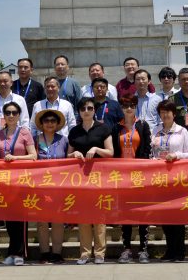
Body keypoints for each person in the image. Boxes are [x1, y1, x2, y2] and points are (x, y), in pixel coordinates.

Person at [68, 97, 114, 264]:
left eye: (89, 108)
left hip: (99, 177)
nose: (86, 111)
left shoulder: (103, 128)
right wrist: (74, 154)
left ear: (94, 110)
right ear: (79, 112)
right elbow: (68, 154)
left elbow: (110, 152)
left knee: (99, 217)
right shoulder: (74, 131)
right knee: (83, 217)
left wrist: (96, 149)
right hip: (79, 178)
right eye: (83, 109)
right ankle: (85, 253)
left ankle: (100, 253)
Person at [152, 99, 188, 261]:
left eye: (167, 111)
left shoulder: (182, 131)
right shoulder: (155, 130)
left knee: (177, 216)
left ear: (173, 114)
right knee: (164, 216)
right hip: (160, 179)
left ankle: (180, 251)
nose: (164, 115)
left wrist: (176, 155)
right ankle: (169, 250)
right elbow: (151, 151)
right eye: (162, 112)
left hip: (177, 178)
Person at [0, 101, 37, 266]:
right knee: (9, 219)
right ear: (4, 116)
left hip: (22, 180)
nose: (11, 115)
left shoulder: (25, 132)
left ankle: (20, 253)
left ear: (19, 115)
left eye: (14, 112)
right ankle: (11, 252)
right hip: (5, 181)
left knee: (20, 219)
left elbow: (33, 155)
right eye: (8, 113)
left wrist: (16, 158)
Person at [115, 95, 152, 264]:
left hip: (139, 176)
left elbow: (147, 149)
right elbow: (115, 152)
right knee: (126, 213)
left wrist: (141, 169)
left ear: (136, 106)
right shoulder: (117, 127)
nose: (128, 108)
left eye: (131, 105)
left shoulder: (143, 125)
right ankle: (127, 248)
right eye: (125, 105)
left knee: (142, 212)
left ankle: (143, 249)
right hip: (122, 177)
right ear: (121, 107)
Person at [34, 108, 69, 263]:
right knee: (41, 221)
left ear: (57, 124)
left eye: (53, 121)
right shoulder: (36, 140)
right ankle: (44, 252)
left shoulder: (63, 140)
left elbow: (69, 161)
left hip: (59, 186)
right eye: (46, 120)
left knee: (58, 220)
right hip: (39, 186)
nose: (49, 123)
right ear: (41, 124)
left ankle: (56, 252)